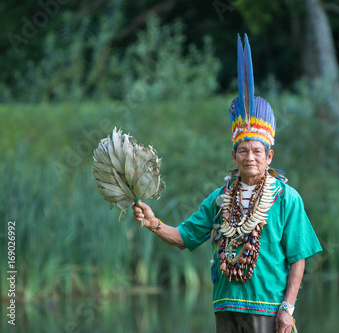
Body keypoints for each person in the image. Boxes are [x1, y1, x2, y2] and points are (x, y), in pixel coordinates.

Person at [132, 34, 322, 333]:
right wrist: (153, 223)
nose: (250, 158)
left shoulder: (286, 197)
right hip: (225, 306)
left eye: (257, 151)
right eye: (243, 151)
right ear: (234, 156)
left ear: (269, 156)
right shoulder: (219, 198)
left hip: (268, 307)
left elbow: (298, 258)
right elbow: (184, 238)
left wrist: (287, 308)